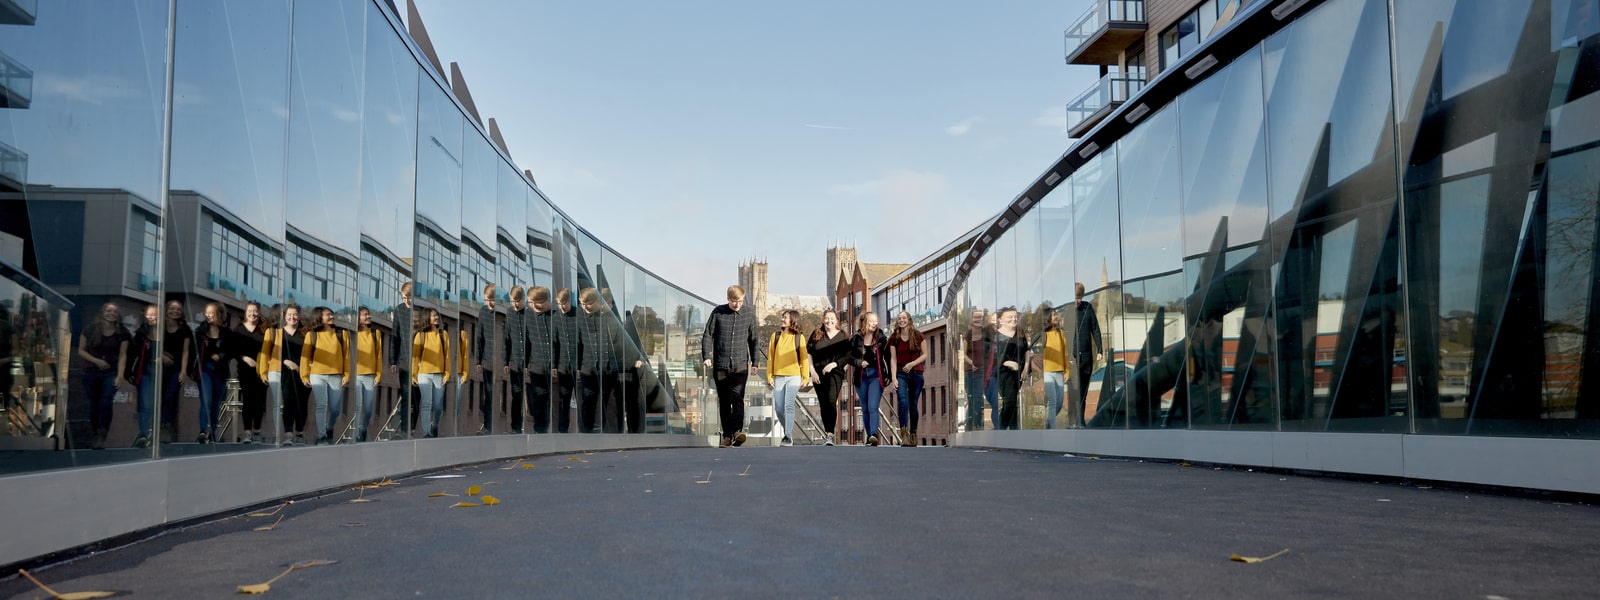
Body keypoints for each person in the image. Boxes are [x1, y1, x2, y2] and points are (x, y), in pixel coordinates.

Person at [701, 285, 762, 447]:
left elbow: (754, 339)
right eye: (734, 301)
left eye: (740, 301)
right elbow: (708, 335)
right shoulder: (718, 312)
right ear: (728, 299)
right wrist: (706, 356)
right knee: (724, 400)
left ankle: (737, 432)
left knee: (738, 397)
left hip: (740, 363)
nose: (737, 304)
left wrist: (755, 362)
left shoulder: (749, 313)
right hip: (721, 364)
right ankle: (727, 435)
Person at [77, 302, 130, 450]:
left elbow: (123, 355)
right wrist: (97, 361)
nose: (111, 314)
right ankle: (95, 432)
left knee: (106, 402)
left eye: (114, 312)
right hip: (91, 371)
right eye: (108, 311)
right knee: (94, 403)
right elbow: (81, 351)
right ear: (102, 312)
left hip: (111, 372)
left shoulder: (122, 333)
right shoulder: (90, 329)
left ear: (118, 315)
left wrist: (120, 376)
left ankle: (102, 433)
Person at [300, 307, 348, 445]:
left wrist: (347, 374)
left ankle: (328, 429)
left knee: (335, 409)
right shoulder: (312, 335)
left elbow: (347, 356)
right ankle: (322, 436)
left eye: (332, 314)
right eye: (328, 315)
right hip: (317, 375)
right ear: (319, 318)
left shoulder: (341, 334)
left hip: (336, 375)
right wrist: (304, 375)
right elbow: (305, 357)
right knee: (321, 405)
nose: (332, 316)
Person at [575, 287, 619, 433]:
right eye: (582, 303)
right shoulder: (579, 318)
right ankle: (586, 432)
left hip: (607, 368)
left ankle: (604, 432)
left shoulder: (608, 318)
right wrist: (577, 367)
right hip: (587, 367)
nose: (585, 307)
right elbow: (577, 344)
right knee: (588, 401)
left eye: (588, 303)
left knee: (606, 402)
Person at [122, 304, 166, 448]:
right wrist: (128, 372)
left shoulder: (167, 333)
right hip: (147, 371)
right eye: (150, 314)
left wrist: (164, 357)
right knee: (145, 404)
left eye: (155, 314)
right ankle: (143, 434)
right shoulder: (141, 334)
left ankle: (156, 432)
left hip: (164, 373)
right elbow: (132, 354)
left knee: (159, 405)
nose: (152, 317)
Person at [765, 309, 810, 447]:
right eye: (782, 317)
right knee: (779, 408)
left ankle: (788, 436)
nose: (782, 319)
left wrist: (805, 377)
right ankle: (787, 430)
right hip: (778, 376)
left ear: (793, 320)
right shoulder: (775, 336)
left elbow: (804, 358)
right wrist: (769, 375)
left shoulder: (799, 337)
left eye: (785, 317)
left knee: (788, 405)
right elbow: (771, 357)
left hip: (794, 376)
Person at [850, 311, 893, 446]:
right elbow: (848, 357)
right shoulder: (856, 338)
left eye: (876, 321)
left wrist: (889, 376)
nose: (874, 324)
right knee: (865, 408)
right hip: (861, 377)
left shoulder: (881, 338)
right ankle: (870, 436)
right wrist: (858, 362)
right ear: (865, 322)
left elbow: (888, 358)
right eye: (871, 321)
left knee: (873, 406)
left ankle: (874, 434)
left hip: (876, 375)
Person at [806, 309, 848, 446]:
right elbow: (809, 353)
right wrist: (812, 370)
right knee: (823, 404)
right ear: (823, 320)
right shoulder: (817, 334)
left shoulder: (843, 336)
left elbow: (847, 355)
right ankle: (827, 433)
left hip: (835, 373)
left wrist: (834, 364)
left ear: (836, 320)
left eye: (832, 318)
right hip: (818, 374)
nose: (829, 321)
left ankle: (830, 433)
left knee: (831, 401)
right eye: (827, 318)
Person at [270, 304, 310, 445]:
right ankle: (288, 435)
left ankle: (299, 433)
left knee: (302, 404)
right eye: (289, 315)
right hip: (286, 373)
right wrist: (286, 361)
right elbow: (273, 353)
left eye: (295, 314)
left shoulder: (305, 334)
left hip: (303, 374)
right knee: (288, 403)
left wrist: (304, 366)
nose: (292, 317)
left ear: (299, 316)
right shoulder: (278, 333)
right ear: (284, 316)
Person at [193, 302, 230, 444]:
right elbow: (193, 351)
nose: (208, 315)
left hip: (220, 372)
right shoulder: (200, 331)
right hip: (206, 370)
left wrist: (220, 356)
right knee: (206, 400)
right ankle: (203, 431)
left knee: (216, 403)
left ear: (219, 314)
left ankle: (213, 431)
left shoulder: (226, 333)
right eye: (206, 312)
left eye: (212, 312)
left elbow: (231, 351)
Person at [232, 302, 269, 444]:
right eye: (250, 311)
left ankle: (257, 432)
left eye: (255, 311)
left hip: (262, 371)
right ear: (245, 312)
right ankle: (247, 432)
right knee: (247, 400)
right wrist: (244, 358)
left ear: (259, 313)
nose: (252, 314)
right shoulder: (238, 329)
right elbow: (234, 350)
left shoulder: (264, 330)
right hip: (245, 371)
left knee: (259, 402)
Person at [412, 308, 450, 438]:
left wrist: (447, 373)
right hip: (424, 375)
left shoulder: (443, 334)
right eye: (433, 315)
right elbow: (415, 357)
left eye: (436, 315)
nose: (436, 317)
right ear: (427, 318)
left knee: (438, 406)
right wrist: (414, 375)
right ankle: (427, 432)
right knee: (427, 404)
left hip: (439, 374)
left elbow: (447, 356)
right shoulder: (420, 335)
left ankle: (434, 426)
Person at [889, 310, 926, 447]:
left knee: (913, 405)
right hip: (900, 374)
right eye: (899, 318)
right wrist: (893, 378)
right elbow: (893, 359)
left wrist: (912, 364)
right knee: (903, 402)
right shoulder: (894, 338)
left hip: (916, 373)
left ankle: (913, 433)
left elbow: (925, 354)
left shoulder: (918, 336)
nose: (901, 320)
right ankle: (904, 435)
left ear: (909, 320)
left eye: (904, 318)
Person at [159, 300, 193, 444]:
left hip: (176, 368)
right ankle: (156, 427)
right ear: (166, 310)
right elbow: (154, 344)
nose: (175, 311)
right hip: (159, 367)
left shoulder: (185, 329)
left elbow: (186, 351)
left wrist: (183, 371)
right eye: (172, 308)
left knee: (169, 396)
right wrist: (162, 357)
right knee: (158, 397)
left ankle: (166, 427)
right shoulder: (160, 326)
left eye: (178, 309)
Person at [1071, 283, 1104, 428]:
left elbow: (1095, 329)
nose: (1077, 301)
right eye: (1075, 297)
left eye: (1079, 297)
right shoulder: (1068, 311)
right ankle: (1074, 420)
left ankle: (1081, 420)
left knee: (1083, 391)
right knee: (1075, 390)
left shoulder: (1087, 308)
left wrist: (1100, 349)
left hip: (1087, 356)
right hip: (1073, 358)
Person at [526, 286, 558, 433]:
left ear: (546, 301)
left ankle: (560, 430)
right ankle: (540, 430)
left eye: (536, 302)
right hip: (537, 365)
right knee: (539, 398)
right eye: (530, 303)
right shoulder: (528, 316)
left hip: (558, 365)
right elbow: (525, 342)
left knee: (559, 400)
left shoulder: (557, 316)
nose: (533, 306)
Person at [994, 307, 1030, 430]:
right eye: (1010, 317)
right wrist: (1007, 362)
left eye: (1015, 317)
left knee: (1013, 402)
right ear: (1001, 319)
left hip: (1018, 373)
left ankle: (1013, 431)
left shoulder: (1020, 332)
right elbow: (992, 357)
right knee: (1009, 401)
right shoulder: (996, 336)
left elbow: (1026, 350)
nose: (1014, 319)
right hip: (1003, 374)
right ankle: (1001, 428)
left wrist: (1026, 368)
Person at [961, 309, 998, 431]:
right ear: (971, 320)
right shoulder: (968, 335)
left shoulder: (986, 334)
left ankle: (977, 424)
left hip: (980, 371)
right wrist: (971, 363)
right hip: (969, 371)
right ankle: (970, 424)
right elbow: (963, 354)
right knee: (971, 398)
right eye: (975, 318)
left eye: (980, 317)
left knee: (977, 398)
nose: (978, 320)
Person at [353, 306, 384, 442]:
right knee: (358, 406)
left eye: (368, 314)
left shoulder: (375, 334)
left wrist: (378, 374)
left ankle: (363, 430)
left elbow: (378, 356)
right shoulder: (353, 334)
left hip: (370, 376)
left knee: (368, 408)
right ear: (358, 318)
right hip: (356, 375)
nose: (368, 316)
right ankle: (357, 435)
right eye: (364, 314)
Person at [502, 286, 530, 434]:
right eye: (512, 301)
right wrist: (505, 362)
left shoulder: (529, 313)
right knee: (516, 395)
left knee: (532, 396)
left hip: (530, 362)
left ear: (523, 298)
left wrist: (529, 363)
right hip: (514, 361)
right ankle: (516, 428)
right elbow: (507, 338)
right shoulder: (509, 313)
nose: (515, 304)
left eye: (517, 301)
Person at [472, 283, 498, 435]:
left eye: (491, 300)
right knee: (488, 393)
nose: (488, 303)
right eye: (486, 300)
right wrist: (478, 361)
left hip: (500, 361)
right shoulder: (483, 312)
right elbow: (479, 337)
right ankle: (488, 426)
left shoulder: (502, 312)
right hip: (487, 360)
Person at [391, 281, 416, 437]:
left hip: (421, 362)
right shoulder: (399, 310)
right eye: (404, 297)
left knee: (417, 398)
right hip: (404, 362)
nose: (406, 300)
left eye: (409, 297)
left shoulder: (421, 311)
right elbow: (395, 336)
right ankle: (406, 429)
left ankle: (412, 427)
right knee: (406, 395)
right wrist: (393, 360)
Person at [1040, 305, 1070, 429]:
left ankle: (1048, 423)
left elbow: (1065, 353)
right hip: (1048, 373)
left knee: (1059, 403)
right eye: (1053, 315)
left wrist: (1067, 372)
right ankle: (1053, 430)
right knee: (1052, 402)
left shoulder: (1060, 333)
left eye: (1055, 314)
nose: (1056, 316)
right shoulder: (1044, 335)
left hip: (1059, 372)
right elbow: (1039, 354)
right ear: (1047, 317)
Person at [553, 288, 579, 433]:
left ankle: (584, 430)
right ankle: (563, 430)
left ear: (569, 301)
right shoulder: (556, 317)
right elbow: (554, 343)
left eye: (564, 303)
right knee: (563, 398)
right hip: (563, 366)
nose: (562, 307)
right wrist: (554, 366)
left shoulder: (578, 314)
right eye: (559, 304)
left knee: (582, 399)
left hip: (578, 366)